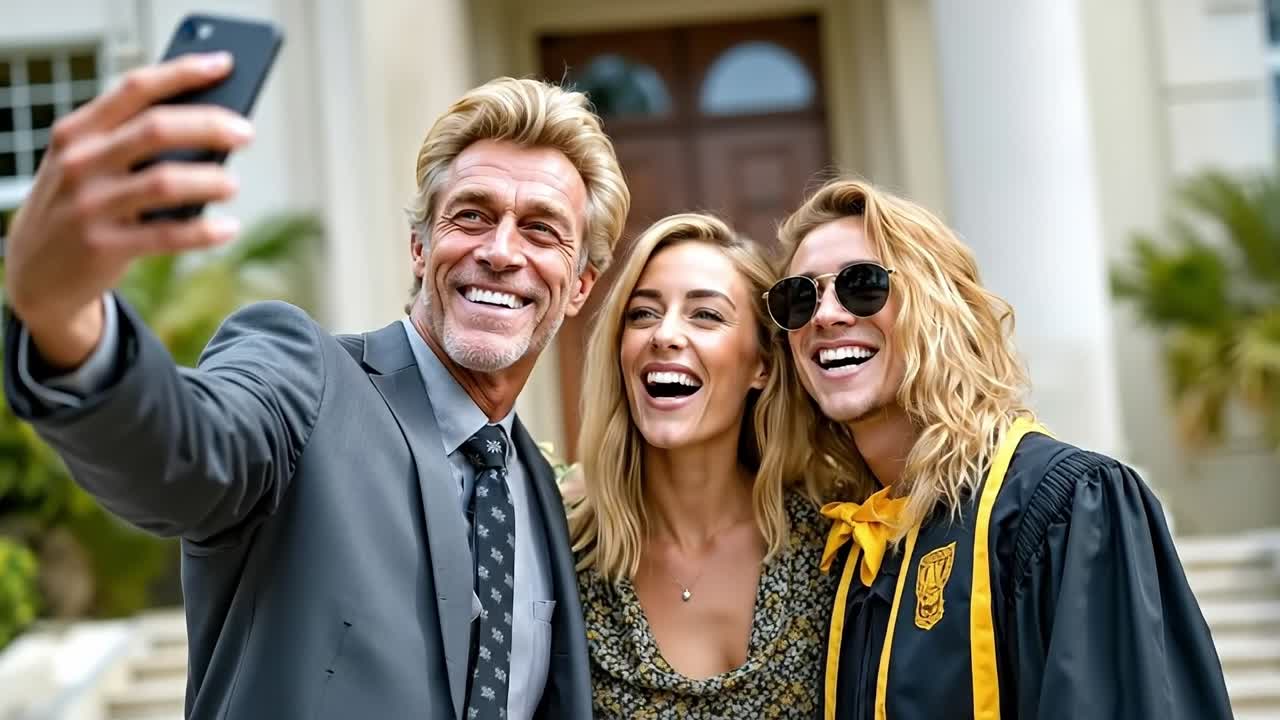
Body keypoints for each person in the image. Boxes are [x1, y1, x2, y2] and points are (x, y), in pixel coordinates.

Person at [1, 52, 629, 720]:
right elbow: (180, 453)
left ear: (579, 286)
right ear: (419, 247)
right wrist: (67, 320)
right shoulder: (304, 378)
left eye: (540, 229)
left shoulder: (539, 491)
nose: (502, 251)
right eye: (471, 215)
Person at [761, 178, 1233, 720]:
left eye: (861, 285)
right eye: (799, 298)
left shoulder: (1067, 505)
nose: (825, 316)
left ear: (942, 307)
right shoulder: (855, 550)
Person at [563, 213, 836, 718]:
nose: (663, 335)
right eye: (642, 314)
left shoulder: (833, 545)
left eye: (705, 316)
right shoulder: (564, 555)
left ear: (763, 365)